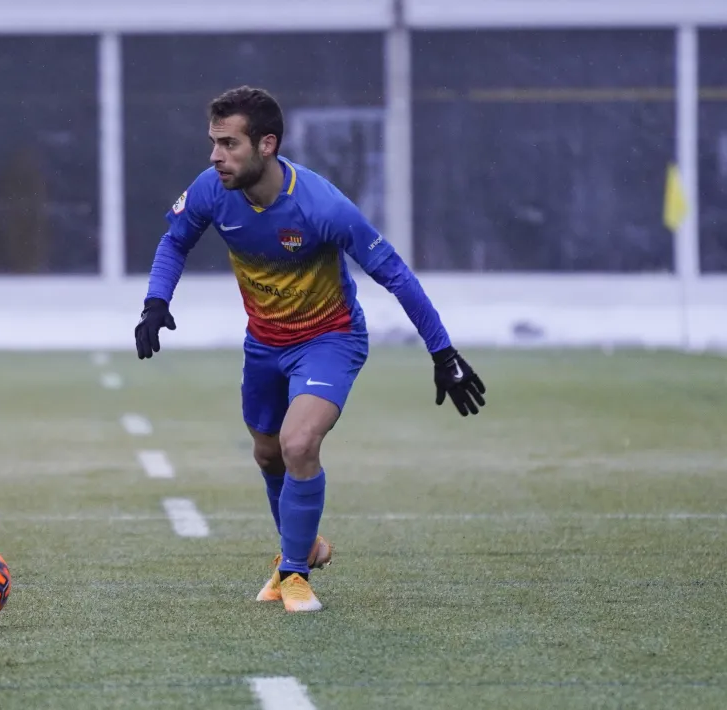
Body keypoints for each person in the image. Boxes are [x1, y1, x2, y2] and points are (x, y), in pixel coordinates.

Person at [134, 86, 486, 613]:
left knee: (298, 443)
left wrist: (443, 353)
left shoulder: (322, 206)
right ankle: (305, 547)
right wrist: (155, 303)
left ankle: (293, 572)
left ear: (267, 144)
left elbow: (394, 274)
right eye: (213, 143)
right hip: (264, 345)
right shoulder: (211, 189)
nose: (215, 156)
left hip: (330, 340)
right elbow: (175, 240)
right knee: (268, 452)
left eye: (229, 144)